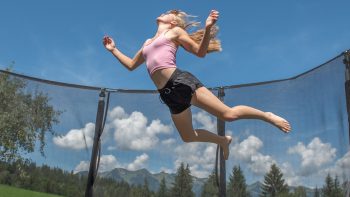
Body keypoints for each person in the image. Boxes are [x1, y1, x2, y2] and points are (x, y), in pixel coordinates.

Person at [102, 9, 291, 160]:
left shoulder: (174, 31)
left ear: (173, 22)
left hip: (180, 82)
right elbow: (130, 66)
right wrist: (113, 50)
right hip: (167, 95)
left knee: (229, 114)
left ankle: (267, 116)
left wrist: (208, 28)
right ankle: (223, 141)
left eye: (169, 13)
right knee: (188, 136)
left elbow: (200, 53)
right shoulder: (147, 42)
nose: (163, 12)